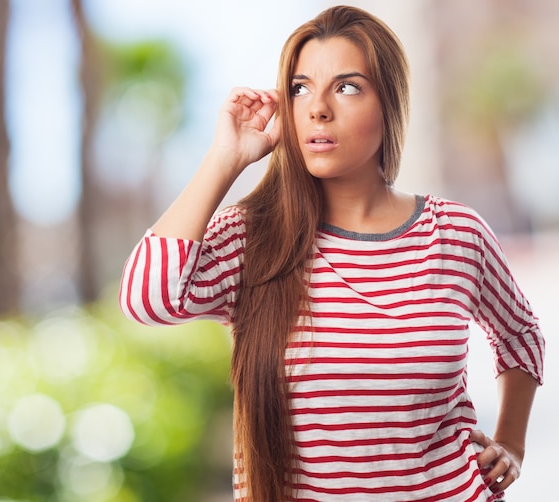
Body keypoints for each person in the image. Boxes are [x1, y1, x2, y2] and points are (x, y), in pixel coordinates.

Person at [119, 5, 545, 501]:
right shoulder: (253, 239)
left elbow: (520, 334)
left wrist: (512, 444)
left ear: (390, 103)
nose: (318, 108)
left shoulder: (456, 232)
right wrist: (225, 159)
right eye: (300, 88)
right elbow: (146, 300)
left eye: (346, 87)